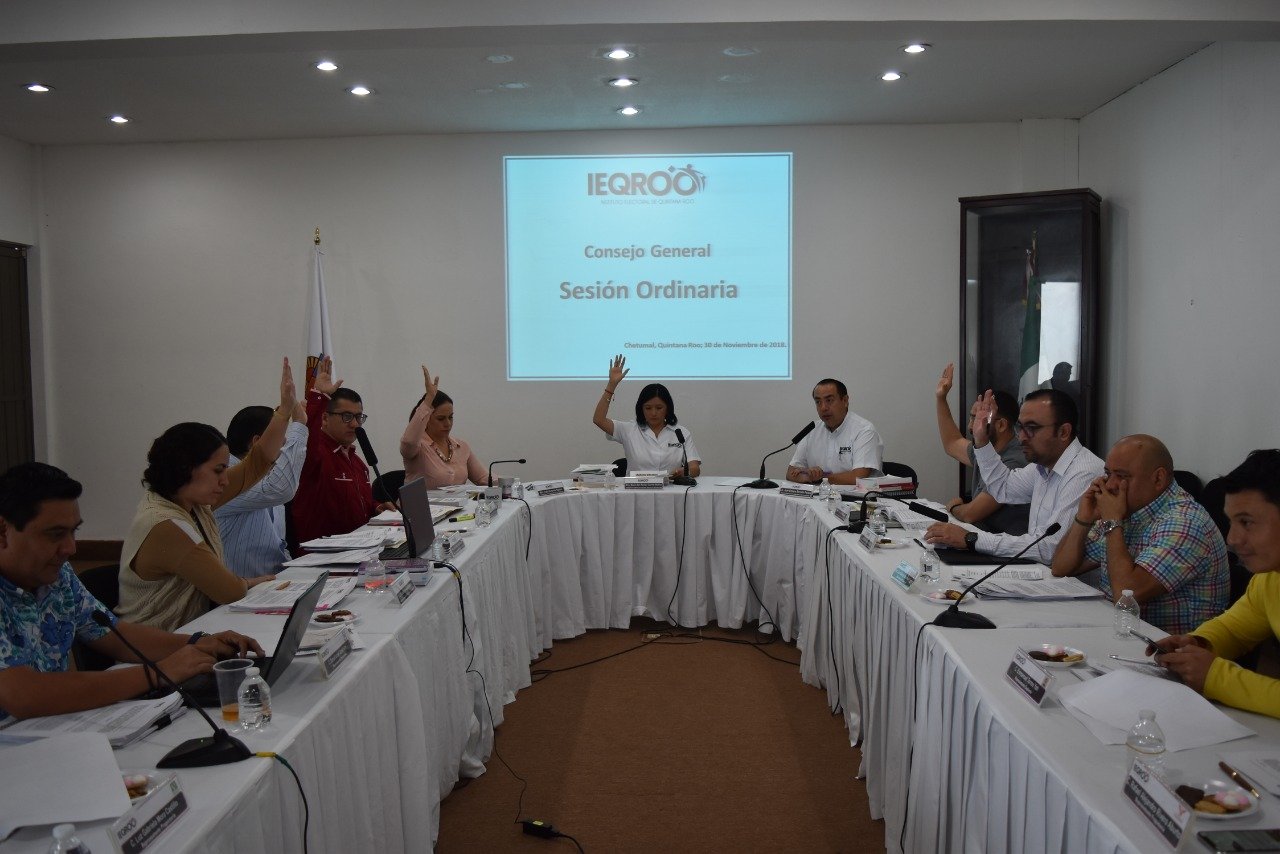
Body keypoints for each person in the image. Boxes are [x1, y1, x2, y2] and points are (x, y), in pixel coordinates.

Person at [0, 462, 262, 720]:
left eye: (73, 532)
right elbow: (23, 695)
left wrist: (198, 643)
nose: (70, 548)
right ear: (3, 532)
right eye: (55, 534)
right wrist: (156, 673)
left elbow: (113, 633)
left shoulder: (58, 577)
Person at [116, 360, 294, 631]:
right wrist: (248, 583)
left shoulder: (189, 501)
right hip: (161, 644)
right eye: (218, 470)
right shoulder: (166, 524)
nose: (225, 480)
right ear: (185, 468)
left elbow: (255, 465)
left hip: (192, 632)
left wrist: (284, 412)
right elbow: (229, 591)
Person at [1050, 434, 1228, 634]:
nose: (1110, 485)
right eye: (1108, 474)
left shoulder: (1185, 523)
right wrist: (1084, 518)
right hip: (1123, 633)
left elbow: (1126, 594)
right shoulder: (1128, 509)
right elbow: (1060, 568)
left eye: (1122, 476)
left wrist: (1113, 522)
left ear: (1158, 479)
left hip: (1167, 647)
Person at [1152, 450, 1280, 717]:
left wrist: (1215, 677)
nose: (1232, 539)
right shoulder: (1269, 578)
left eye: (1246, 522)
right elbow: (1235, 629)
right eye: (1231, 522)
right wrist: (1197, 643)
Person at [924, 388, 1103, 563]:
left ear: (1063, 432)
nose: (1021, 437)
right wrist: (981, 439)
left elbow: (1050, 548)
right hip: (1039, 569)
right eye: (1020, 427)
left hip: (1069, 580)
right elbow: (1002, 488)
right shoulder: (1041, 467)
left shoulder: (1084, 473)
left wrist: (972, 538)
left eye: (1031, 428)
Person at [290, 357, 394, 545]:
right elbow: (306, 437)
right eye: (347, 416)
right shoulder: (315, 455)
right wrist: (319, 396)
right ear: (324, 418)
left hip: (358, 548)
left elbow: (357, 505)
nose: (355, 424)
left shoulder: (358, 463)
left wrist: (376, 508)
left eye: (358, 417)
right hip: (322, 556)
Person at [213, 395, 308, 578]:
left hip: (274, 582)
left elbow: (278, 545)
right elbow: (281, 490)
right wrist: (299, 424)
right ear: (257, 442)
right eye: (281, 438)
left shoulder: (267, 476)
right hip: (240, 590)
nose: (285, 445)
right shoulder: (225, 479)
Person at [933, 363, 1029, 534]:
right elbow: (952, 443)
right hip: (983, 535)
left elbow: (971, 514)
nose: (971, 427)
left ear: (1001, 425)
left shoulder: (1015, 461)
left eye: (978, 420)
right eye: (972, 419)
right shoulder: (986, 448)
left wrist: (954, 507)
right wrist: (941, 398)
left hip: (1002, 543)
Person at [592, 355, 701, 478]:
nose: (653, 413)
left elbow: (695, 468)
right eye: (648, 408)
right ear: (641, 409)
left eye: (659, 408)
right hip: (635, 488)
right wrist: (611, 385)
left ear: (668, 408)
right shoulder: (629, 430)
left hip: (671, 488)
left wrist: (685, 472)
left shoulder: (680, 433)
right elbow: (598, 419)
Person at [400, 364, 488, 488]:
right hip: (420, 502)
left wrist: (512, 484)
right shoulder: (417, 447)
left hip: (458, 502)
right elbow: (408, 442)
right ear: (426, 419)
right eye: (441, 419)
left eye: (450, 417)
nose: (448, 423)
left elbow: (484, 478)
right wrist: (428, 400)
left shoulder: (461, 447)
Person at [786, 378, 881, 485]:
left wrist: (820, 477)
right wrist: (807, 475)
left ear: (845, 401)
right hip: (819, 494)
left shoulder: (864, 430)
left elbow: (858, 477)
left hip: (858, 495)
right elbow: (790, 473)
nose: (823, 408)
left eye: (829, 400)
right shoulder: (812, 430)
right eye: (818, 402)